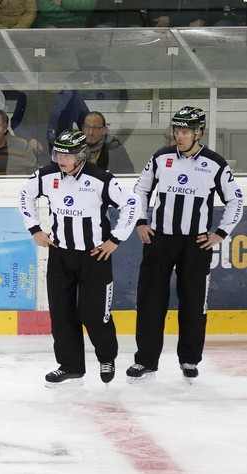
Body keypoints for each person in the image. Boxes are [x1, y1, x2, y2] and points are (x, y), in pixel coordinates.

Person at [128, 106, 244, 384]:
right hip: (159, 240)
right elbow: (141, 189)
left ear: (198, 133)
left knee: (193, 304)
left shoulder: (215, 163)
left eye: (184, 132)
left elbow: (235, 200)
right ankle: (145, 361)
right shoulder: (161, 157)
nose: (178, 137)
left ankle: (190, 360)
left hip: (196, 245)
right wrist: (141, 221)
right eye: (176, 131)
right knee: (150, 302)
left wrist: (220, 233)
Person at [19, 129, 139, 387]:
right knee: (61, 314)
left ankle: (107, 357)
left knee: (95, 314)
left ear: (81, 155)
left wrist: (116, 239)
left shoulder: (100, 179)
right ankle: (70, 366)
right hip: (60, 256)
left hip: (95, 256)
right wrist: (34, 228)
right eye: (58, 153)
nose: (61, 159)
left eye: (68, 154)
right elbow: (25, 195)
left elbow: (132, 203)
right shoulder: (47, 175)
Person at [33, 0, 98, 27]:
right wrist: (77, 12)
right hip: (51, 24)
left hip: (78, 26)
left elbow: (89, 7)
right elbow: (46, 9)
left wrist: (62, 2)